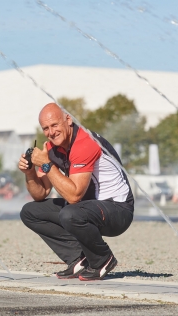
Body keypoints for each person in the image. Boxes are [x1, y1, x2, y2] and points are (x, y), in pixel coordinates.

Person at [18, 103, 134, 281]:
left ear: (68, 120)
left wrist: (47, 164)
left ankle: (102, 258)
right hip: (87, 208)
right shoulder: (51, 148)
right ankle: (79, 259)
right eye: (46, 128)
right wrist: (30, 172)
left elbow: (74, 196)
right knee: (30, 212)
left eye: (55, 125)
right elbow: (40, 193)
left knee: (70, 213)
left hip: (118, 210)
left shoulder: (84, 144)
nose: (51, 132)